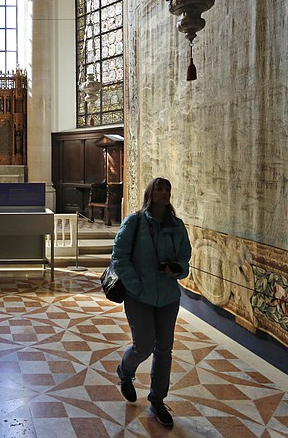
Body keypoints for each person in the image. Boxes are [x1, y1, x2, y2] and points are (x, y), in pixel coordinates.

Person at [110, 177, 192, 427]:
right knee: (143, 346)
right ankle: (125, 372)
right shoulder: (134, 222)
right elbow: (119, 257)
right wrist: (136, 286)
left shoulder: (177, 226)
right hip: (139, 297)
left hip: (168, 297)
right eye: (159, 188)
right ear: (150, 193)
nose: (164, 192)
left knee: (164, 350)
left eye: (168, 189)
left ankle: (158, 399)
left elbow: (185, 256)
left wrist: (177, 270)